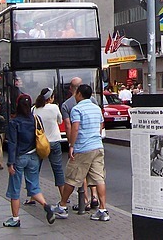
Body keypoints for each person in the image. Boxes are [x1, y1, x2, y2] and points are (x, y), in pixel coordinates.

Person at [54, 84, 110, 222]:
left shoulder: (77, 109)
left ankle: (62, 207)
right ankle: (103, 210)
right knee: (99, 178)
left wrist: (71, 145)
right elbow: (101, 124)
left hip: (83, 148)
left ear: (79, 94)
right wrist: (95, 136)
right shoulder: (97, 108)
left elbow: (75, 128)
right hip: (98, 146)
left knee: (72, 177)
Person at [2, 94, 56, 227]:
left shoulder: (14, 122)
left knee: (15, 189)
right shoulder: (36, 119)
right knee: (34, 186)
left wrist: (10, 163)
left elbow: (12, 144)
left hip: (19, 158)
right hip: (34, 157)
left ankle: (15, 219)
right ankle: (46, 205)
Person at [60, 77, 99, 212]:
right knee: (96, 175)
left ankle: (83, 201)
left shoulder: (67, 105)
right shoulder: (93, 102)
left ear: (72, 89)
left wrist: (72, 144)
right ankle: (96, 198)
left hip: (82, 145)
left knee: (77, 174)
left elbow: (70, 126)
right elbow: (100, 123)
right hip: (96, 143)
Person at [28, 88, 65, 203]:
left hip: (40, 143)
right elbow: (60, 121)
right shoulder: (54, 107)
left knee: (35, 170)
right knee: (58, 169)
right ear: (51, 98)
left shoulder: (34, 109)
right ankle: (64, 196)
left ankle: (32, 196)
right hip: (54, 141)